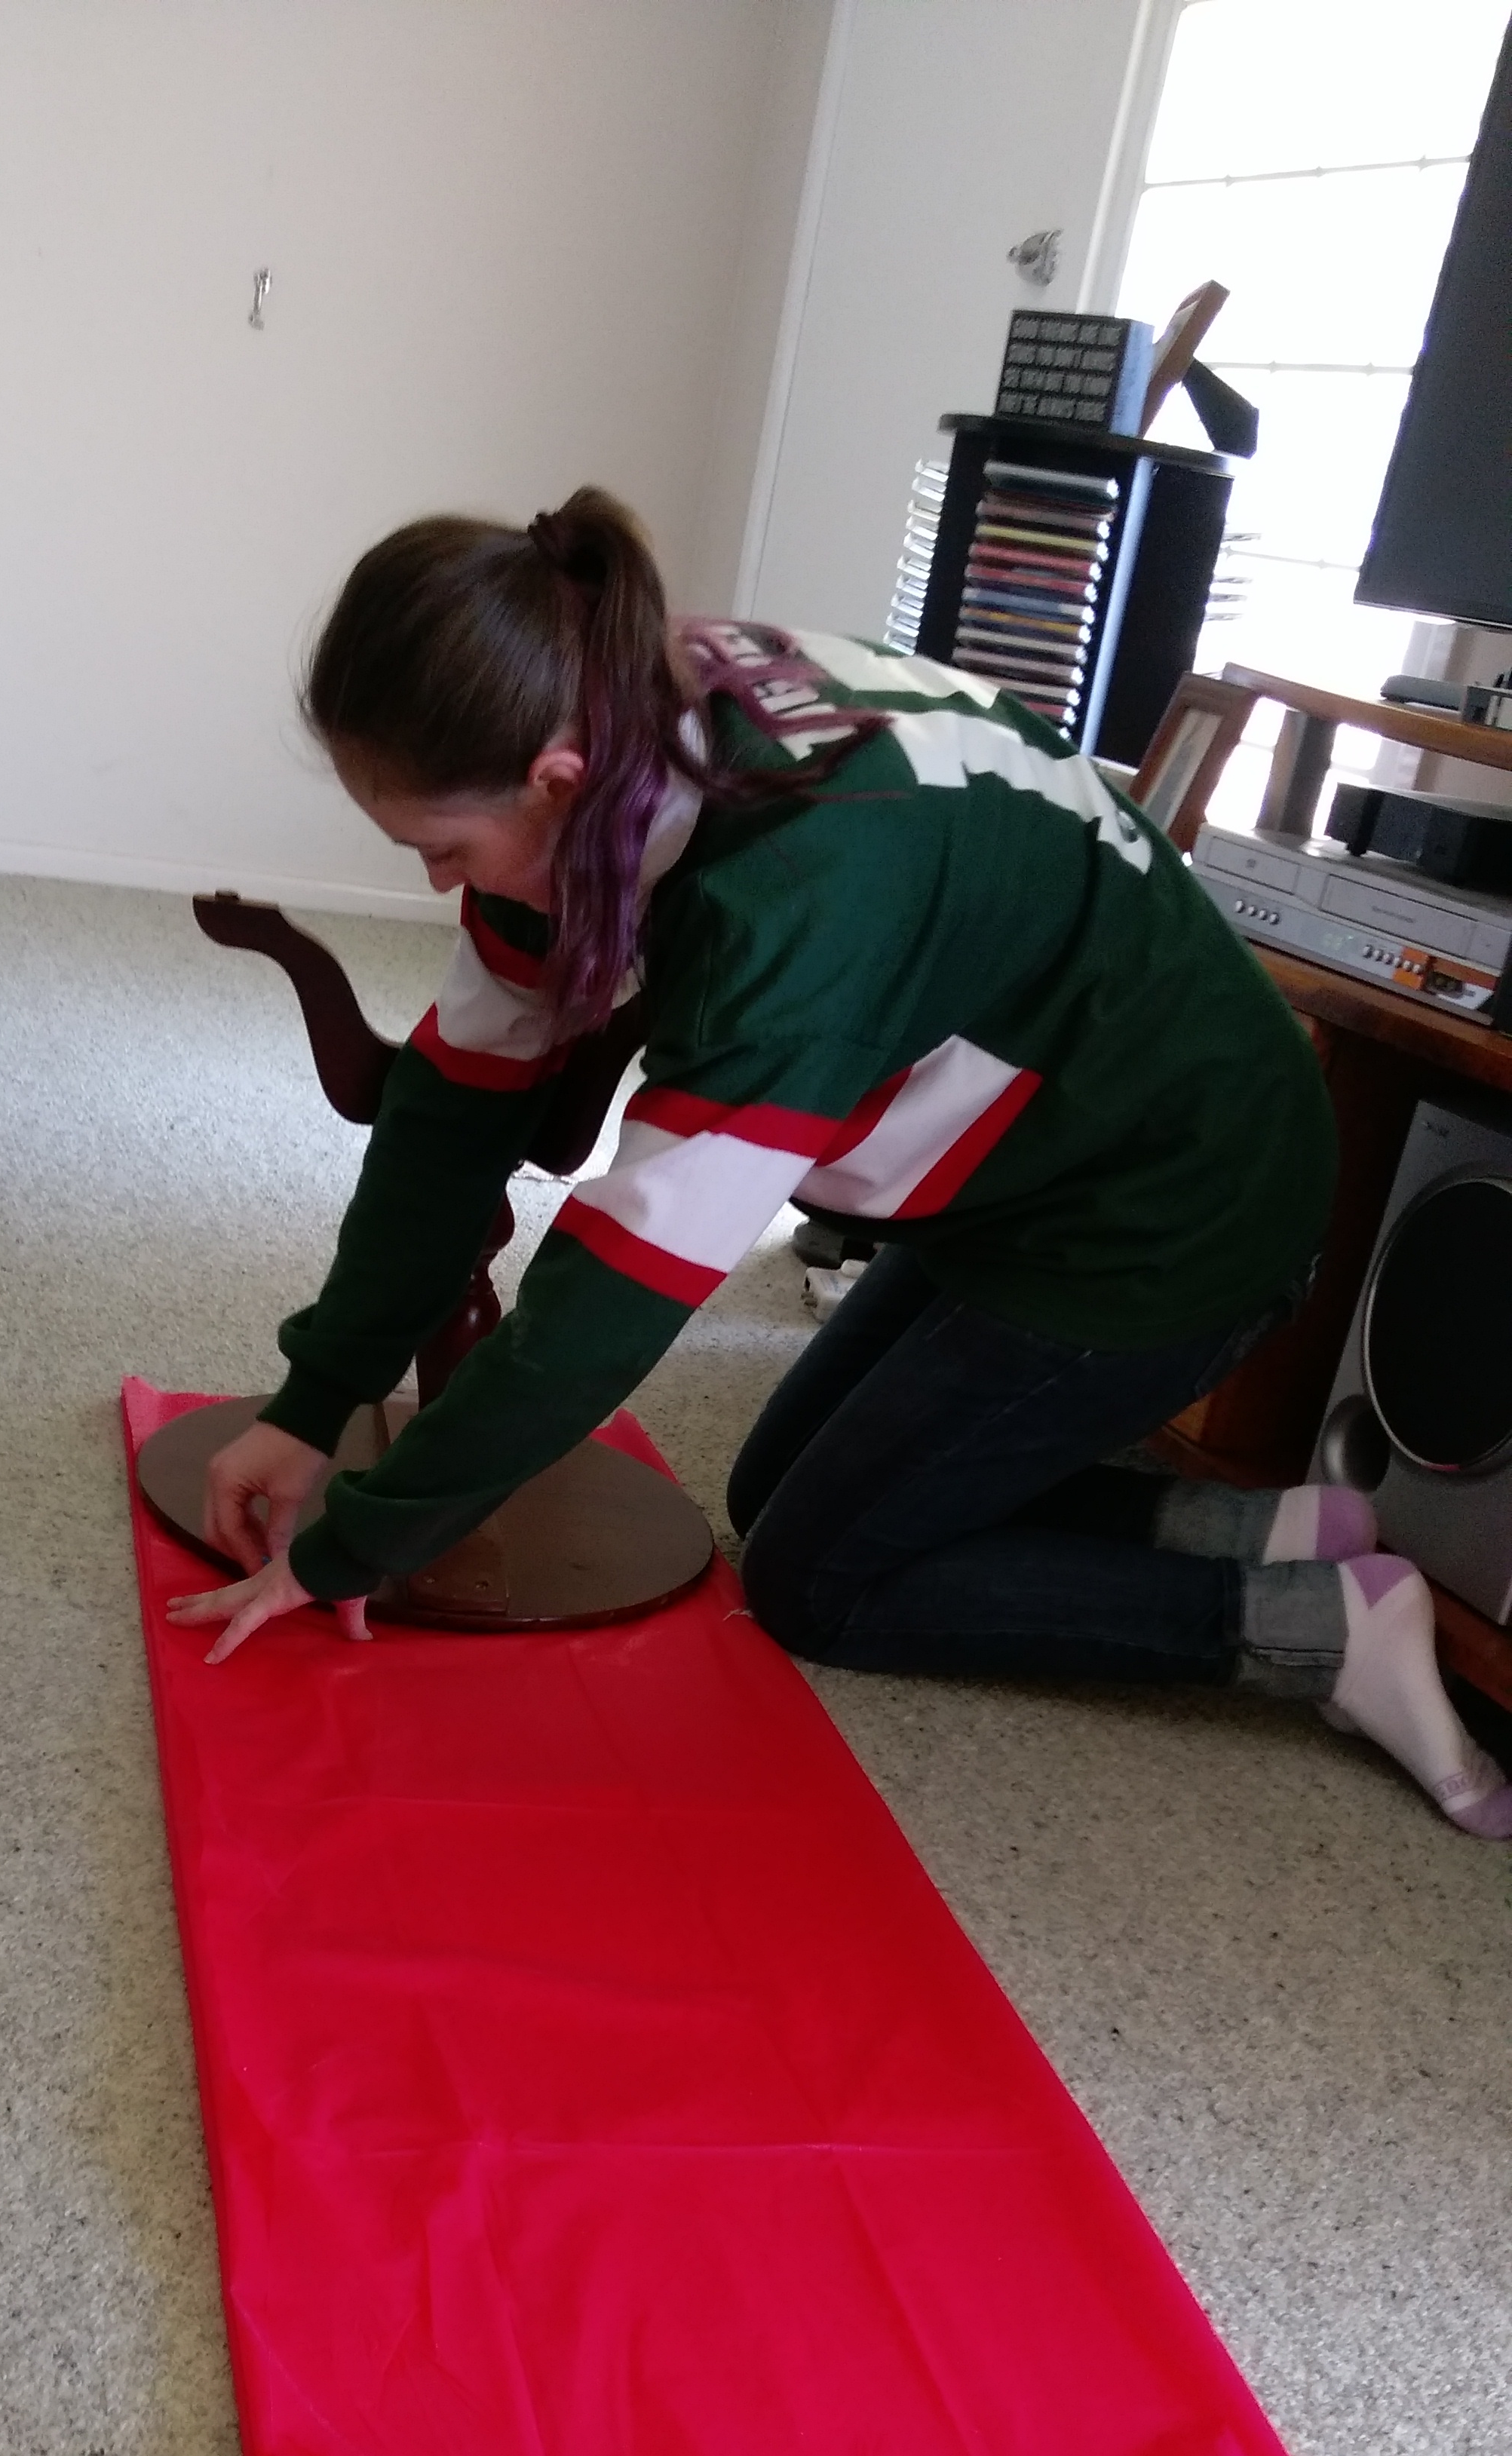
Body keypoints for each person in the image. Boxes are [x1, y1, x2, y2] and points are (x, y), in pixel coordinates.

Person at [167, 487, 1512, 1841]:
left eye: (443, 851)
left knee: (823, 1584)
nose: (437, 887)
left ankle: (1324, 1627)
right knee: (774, 1496)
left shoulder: (791, 911)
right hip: (1040, 1161)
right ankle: (1269, 1527)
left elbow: (609, 1299)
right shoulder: (610, 706)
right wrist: (315, 1401)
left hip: (1178, 1213)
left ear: (556, 779)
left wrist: (360, 1542)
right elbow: (453, 1114)